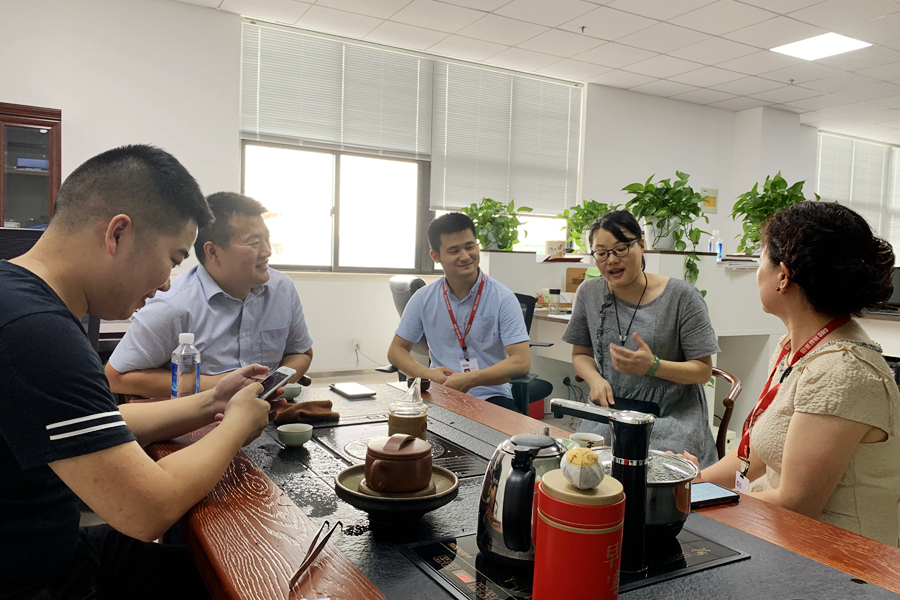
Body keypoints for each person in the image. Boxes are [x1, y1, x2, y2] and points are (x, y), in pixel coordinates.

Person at [0, 145, 283, 599]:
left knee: (232, 567)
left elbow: (101, 426)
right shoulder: (35, 331)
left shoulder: (18, 296)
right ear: (118, 234)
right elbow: (147, 509)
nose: (168, 283)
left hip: (53, 551)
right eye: (172, 258)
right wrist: (235, 425)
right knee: (253, 580)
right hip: (34, 582)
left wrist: (212, 401)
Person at [685, 202, 900, 546]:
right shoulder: (794, 347)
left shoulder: (840, 371)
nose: (757, 271)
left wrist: (693, 502)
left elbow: (796, 506)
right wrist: (692, 483)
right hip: (778, 536)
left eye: (761, 259)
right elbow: (756, 455)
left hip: (837, 559)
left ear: (783, 276)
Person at [105, 192, 313, 399]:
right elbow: (116, 377)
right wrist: (223, 386)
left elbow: (301, 352)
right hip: (199, 415)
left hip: (269, 410)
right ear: (213, 252)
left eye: (267, 240)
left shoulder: (281, 289)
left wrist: (271, 383)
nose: (267, 252)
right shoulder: (172, 306)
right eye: (254, 243)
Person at [562, 210, 719, 467]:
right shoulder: (589, 293)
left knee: (650, 469)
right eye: (601, 253)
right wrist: (595, 380)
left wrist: (653, 366)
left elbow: (703, 371)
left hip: (670, 416)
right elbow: (580, 354)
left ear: (642, 244)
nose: (612, 260)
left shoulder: (682, 297)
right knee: (584, 465)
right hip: (611, 412)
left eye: (621, 249)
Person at [387, 213, 530, 411]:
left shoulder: (502, 298)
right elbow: (396, 351)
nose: (465, 256)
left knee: (504, 431)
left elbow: (521, 362)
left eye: (470, 247)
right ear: (435, 256)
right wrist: (428, 375)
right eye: (454, 251)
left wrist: (469, 380)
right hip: (440, 393)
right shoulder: (423, 298)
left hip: (490, 396)